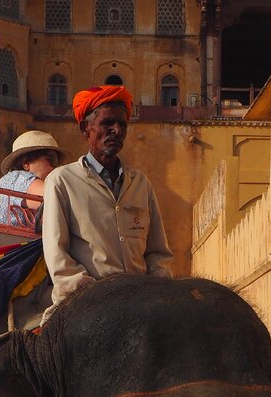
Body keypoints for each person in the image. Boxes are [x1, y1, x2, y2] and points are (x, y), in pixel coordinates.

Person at [41, 85, 173, 313]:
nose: (116, 130)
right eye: (107, 123)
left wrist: (157, 291)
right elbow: (58, 257)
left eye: (122, 125)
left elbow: (158, 253)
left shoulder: (141, 184)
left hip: (141, 303)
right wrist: (95, 296)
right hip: (84, 305)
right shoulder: (62, 181)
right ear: (86, 129)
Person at [0, 130, 64, 232]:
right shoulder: (19, 178)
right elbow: (57, 195)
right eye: (52, 159)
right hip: (0, 244)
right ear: (26, 163)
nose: (55, 167)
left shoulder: (7, 182)